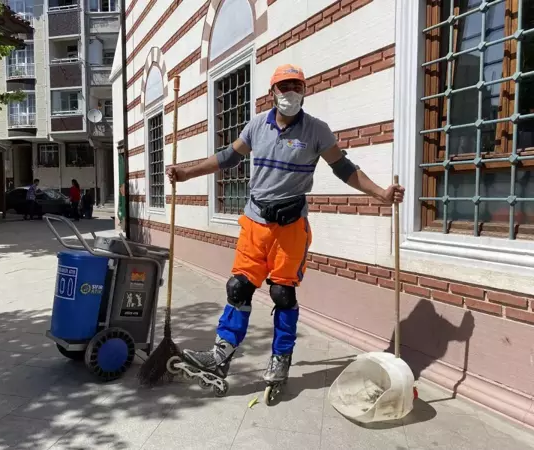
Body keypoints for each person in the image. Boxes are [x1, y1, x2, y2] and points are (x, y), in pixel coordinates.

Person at [166, 64, 405, 385]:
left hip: (291, 228)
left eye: (296, 86)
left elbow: (344, 168)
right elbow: (227, 157)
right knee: (238, 288)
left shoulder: (317, 131)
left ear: (304, 91)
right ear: (272, 92)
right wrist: (186, 172)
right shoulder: (256, 127)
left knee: (282, 293)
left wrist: (380, 193)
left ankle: (281, 357)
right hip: (255, 223)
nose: (290, 92)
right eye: (283, 86)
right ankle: (221, 354)